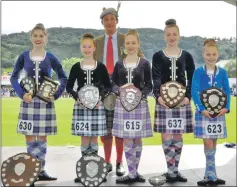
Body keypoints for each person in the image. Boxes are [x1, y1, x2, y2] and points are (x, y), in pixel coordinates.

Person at [10, 23, 67, 181]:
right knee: (29, 136)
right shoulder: (23, 56)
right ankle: (30, 172)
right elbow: (13, 77)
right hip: (28, 103)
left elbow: (63, 76)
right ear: (31, 37)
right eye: (35, 36)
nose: (38, 38)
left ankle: (40, 171)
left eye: (41, 36)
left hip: (45, 103)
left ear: (46, 38)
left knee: (42, 138)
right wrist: (22, 94)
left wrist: (55, 94)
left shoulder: (50, 57)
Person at [152, 19, 195, 183]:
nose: (171, 37)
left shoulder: (187, 55)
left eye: (174, 34)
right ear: (164, 36)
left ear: (179, 35)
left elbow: (191, 78)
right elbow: (155, 77)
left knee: (177, 134)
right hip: (163, 102)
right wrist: (158, 96)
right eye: (168, 34)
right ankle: (170, 170)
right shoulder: (157, 56)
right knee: (166, 135)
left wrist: (188, 97)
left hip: (181, 102)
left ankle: (174, 170)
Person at [66, 33, 112, 183]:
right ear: (81, 48)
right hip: (81, 107)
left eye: (89, 46)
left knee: (94, 138)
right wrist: (77, 97)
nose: (87, 49)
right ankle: (84, 170)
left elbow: (108, 86)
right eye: (84, 46)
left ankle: (95, 170)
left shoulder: (101, 67)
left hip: (97, 106)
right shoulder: (75, 67)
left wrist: (101, 97)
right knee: (85, 137)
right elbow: (69, 86)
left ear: (94, 48)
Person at [112, 29, 153, 184]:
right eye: (128, 43)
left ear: (138, 44)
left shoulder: (144, 63)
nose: (130, 46)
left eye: (133, 43)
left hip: (140, 105)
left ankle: (134, 172)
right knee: (128, 139)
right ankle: (132, 173)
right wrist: (118, 91)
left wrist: (140, 95)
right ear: (124, 45)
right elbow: (113, 83)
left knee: (137, 138)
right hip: (123, 105)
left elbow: (149, 85)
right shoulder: (119, 63)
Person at [192, 39, 230, 186]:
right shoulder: (198, 71)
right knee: (208, 143)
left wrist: (226, 107)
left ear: (218, 55)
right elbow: (194, 91)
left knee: (213, 144)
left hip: (219, 113)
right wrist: (201, 109)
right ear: (203, 54)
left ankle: (210, 175)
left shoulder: (223, 72)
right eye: (208, 54)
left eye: (214, 54)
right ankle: (212, 176)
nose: (211, 57)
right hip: (204, 113)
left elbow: (226, 90)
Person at [93, 7, 126, 176]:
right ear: (102, 23)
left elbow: (139, 58)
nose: (109, 22)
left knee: (119, 129)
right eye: (106, 19)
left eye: (112, 19)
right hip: (102, 87)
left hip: (121, 88)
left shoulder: (125, 39)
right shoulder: (96, 42)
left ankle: (120, 162)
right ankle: (106, 162)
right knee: (105, 129)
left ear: (117, 21)